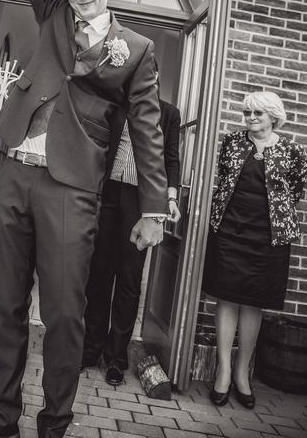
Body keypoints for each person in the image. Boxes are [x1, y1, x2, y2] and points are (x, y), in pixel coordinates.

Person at [0, 0, 169, 438]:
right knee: (5, 306)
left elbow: (147, 130)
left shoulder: (136, 50)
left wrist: (154, 209)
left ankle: (54, 424)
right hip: (15, 172)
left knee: (62, 315)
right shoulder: (52, 12)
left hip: (72, 189)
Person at [202, 91, 307, 410]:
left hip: (269, 238)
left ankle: (242, 373)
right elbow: (223, 180)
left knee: (253, 303)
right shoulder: (232, 142)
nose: (250, 118)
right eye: (247, 112)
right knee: (227, 298)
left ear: (274, 116)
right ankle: (223, 371)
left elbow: (295, 191)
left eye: (257, 113)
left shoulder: (292, 150)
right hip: (230, 231)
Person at [82, 73, 181, 386]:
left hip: (141, 203)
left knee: (129, 278)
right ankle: (90, 348)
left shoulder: (168, 113)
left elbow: (171, 159)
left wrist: (171, 198)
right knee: (99, 274)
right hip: (108, 194)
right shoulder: (115, 106)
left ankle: (116, 357)